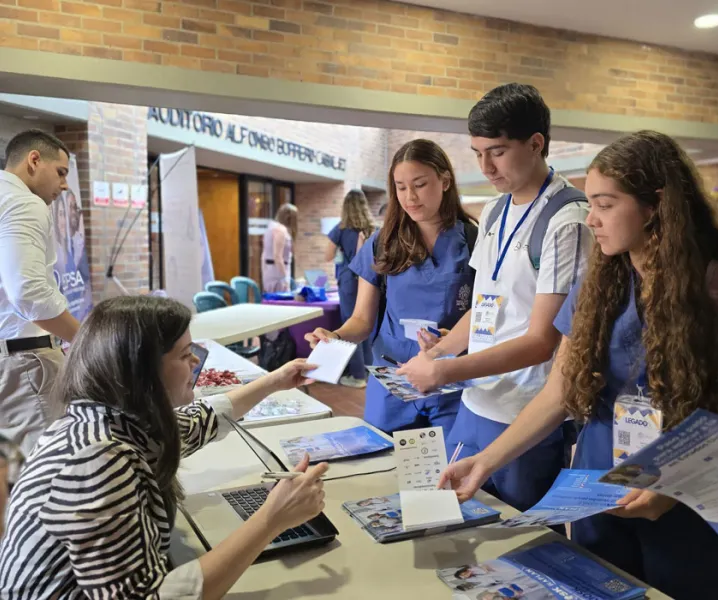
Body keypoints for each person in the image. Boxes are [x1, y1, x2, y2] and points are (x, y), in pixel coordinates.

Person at [440, 131, 718, 600]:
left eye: (605, 205)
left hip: (691, 512)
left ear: (656, 207)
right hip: (598, 495)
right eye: (590, 204)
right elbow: (559, 392)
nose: (591, 220)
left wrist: (677, 488)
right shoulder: (597, 287)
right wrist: (485, 461)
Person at [0, 295, 328, 598]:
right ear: (141, 370)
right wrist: (272, 519)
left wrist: (275, 380)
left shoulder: (103, 420)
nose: (195, 360)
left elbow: (199, 421)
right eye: (185, 354)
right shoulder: (97, 461)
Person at [397, 83, 592, 513]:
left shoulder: (567, 220)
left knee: (522, 539)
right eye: (477, 153)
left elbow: (542, 341)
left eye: (497, 152)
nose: (485, 166)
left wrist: (446, 371)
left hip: (526, 413)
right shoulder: (494, 211)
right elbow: (486, 305)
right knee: (456, 520)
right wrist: (440, 351)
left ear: (536, 144)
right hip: (475, 401)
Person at [305, 139, 477, 439]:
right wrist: (335, 336)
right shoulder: (383, 243)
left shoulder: (475, 241)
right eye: (401, 187)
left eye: (420, 185)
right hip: (392, 382)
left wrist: (451, 342)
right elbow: (361, 320)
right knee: (386, 459)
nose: (410, 197)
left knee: (453, 464)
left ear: (445, 181)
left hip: (450, 383)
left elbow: (486, 315)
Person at [0, 130, 80, 457]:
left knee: (13, 470)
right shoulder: (24, 202)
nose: (64, 185)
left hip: (10, 362)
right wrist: (86, 340)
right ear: (34, 160)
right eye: (60, 172)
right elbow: (29, 292)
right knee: (49, 470)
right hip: (24, 364)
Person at [326, 188, 376, 388]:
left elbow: (327, 255)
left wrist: (341, 248)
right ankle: (370, 373)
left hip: (349, 280)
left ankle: (357, 376)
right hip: (370, 280)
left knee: (351, 325)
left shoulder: (341, 228)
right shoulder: (373, 228)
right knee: (367, 323)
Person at [261, 203, 298, 293]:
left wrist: (264, 272)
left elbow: (263, 255)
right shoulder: (280, 230)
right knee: (281, 299)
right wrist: (285, 278)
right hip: (278, 274)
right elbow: (277, 256)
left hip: (270, 271)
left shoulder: (271, 227)